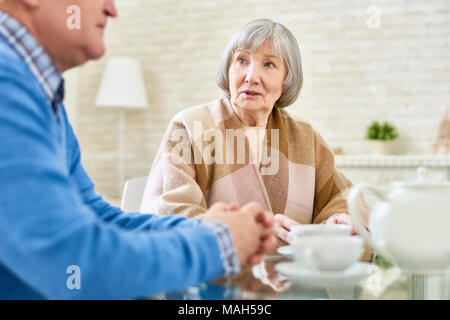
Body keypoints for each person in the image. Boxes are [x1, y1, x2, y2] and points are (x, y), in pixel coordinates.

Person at [0, 0, 275, 300]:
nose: (112, 9)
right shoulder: (7, 84)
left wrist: (206, 228)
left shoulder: (37, 93)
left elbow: (97, 216)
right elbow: (76, 260)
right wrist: (218, 243)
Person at [140, 18, 361, 246]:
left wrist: (336, 218)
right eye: (242, 60)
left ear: (287, 78)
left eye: (269, 64)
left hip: (292, 275)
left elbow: (344, 196)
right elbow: (173, 214)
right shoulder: (189, 127)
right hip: (217, 274)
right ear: (228, 69)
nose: (251, 76)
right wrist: (252, 231)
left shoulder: (305, 137)